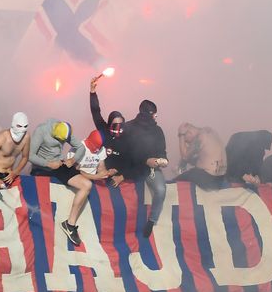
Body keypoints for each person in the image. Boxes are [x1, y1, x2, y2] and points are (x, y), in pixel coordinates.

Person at [27, 119, 95, 246]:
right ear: (54, 133)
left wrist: (73, 159)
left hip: (58, 164)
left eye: (63, 141)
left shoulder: (64, 129)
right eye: (59, 140)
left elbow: (80, 147)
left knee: (87, 185)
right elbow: (30, 156)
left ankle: (70, 224)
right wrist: (48, 164)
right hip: (42, 166)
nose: (61, 143)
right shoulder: (41, 130)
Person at [123, 100, 168, 238]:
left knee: (161, 190)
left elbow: (162, 150)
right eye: (153, 114)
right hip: (132, 167)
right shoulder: (129, 127)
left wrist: (162, 160)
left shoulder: (157, 130)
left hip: (151, 171)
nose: (155, 117)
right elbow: (125, 151)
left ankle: (152, 220)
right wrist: (145, 160)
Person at [89, 74, 128, 186]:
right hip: (100, 174)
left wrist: (118, 172)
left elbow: (131, 160)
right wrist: (92, 91)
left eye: (121, 124)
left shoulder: (128, 136)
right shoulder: (104, 130)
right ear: (109, 124)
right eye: (115, 124)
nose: (118, 128)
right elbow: (95, 111)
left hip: (118, 176)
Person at [0, 112, 31, 190]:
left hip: (9, 176)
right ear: (13, 124)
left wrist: (15, 172)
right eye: (19, 126)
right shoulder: (2, 137)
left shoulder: (26, 137)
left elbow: (25, 157)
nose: (22, 129)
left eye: (25, 126)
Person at [175, 123, 226, 190]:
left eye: (186, 141)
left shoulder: (200, 136)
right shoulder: (209, 132)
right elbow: (207, 158)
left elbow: (184, 156)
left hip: (208, 177)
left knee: (174, 182)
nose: (188, 143)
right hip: (220, 177)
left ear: (189, 132)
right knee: (190, 167)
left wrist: (181, 135)